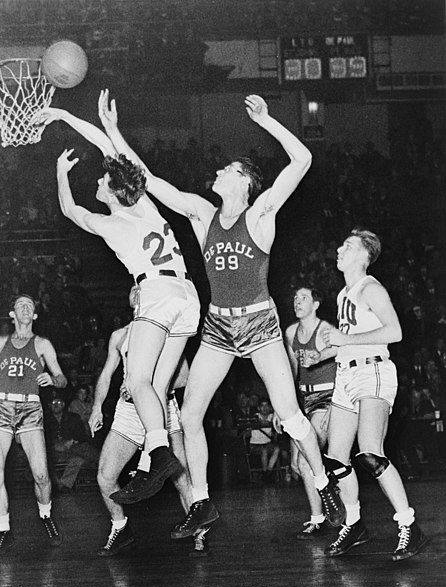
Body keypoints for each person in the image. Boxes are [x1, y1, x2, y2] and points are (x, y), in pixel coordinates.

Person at [95, 90, 345, 535]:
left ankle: (323, 481)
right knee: (189, 416)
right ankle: (203, 503)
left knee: (290, 416)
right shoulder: (201, 213)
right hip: (218, 324)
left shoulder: (261, 214)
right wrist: (114, 133)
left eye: (226, 169)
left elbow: (302, 159)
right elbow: (149, 179)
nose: (216, 171)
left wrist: (267, 121)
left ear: (245, 182)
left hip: (260, 323)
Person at [35, 107, 201, 502]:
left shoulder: (109, 224)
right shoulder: (143, 204)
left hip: (157, 295)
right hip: (188, 296)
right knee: (158, 387)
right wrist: (62, 113)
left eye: (101, 178)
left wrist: (60, 172)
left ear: (110, 190)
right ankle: (151, 465)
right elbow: (106, 143)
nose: (97, 178)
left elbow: (70, 209)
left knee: (138, 381)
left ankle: (159, 454)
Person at [321, 229, 428, 561]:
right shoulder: (343, 294)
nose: (340, 248)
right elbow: (348, 340)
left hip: (373, 372)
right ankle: (354, 524)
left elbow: (394, 332)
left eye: (348, 246)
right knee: (336, 459)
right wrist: (324, 355)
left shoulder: (372, 288)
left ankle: (410, 527)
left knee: (369, 453)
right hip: (347, 375)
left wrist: (342, 340)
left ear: (364, 255)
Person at [88, 318, 209, 557]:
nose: (138, 291)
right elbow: (106, 375)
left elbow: (183, 377)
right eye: (134, 288)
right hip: (129, 411)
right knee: (105, 476)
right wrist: (97, 406)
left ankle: (199, 534)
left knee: (180, 475)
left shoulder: (168, 333)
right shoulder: (120, 335)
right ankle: (120, 528)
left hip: (161, 407)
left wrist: (144, 385)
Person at [0, 294, 67, 553]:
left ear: (35, 315)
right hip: (1, 406)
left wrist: (53, 379)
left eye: (30, 306)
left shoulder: (42, 344)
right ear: (12, 314)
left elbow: (62, 378)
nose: (25, 308)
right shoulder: (0, 343)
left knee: (41, 474)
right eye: (20, 305)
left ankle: (46, 515)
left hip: (30, 408)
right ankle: (4, 530)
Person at [284, 285, 337, 539]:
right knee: (297, 464)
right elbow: (291, 372)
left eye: (304, 298)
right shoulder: (291, 332)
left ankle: (318, 519)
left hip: (326, 397)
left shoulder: (325, 330)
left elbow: (343, 354)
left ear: (315, 304)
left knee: (307, 461)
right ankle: (330, 489)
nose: (298, 301)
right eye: (295, 298)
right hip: (303, 398)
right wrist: (284, 404)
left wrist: (335, 403)